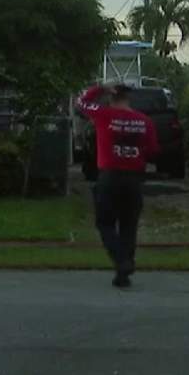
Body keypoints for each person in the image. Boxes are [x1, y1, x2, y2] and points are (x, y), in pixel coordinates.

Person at [77, 82, 159, 288]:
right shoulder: (145, 121)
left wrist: (101, 88)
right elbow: (153, 151)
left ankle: (121, 260)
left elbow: (81, 102)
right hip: (134, 178)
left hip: (109, 177)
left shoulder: (104, 115)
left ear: (111, 97)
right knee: (128, 225)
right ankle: (124, 271)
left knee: (105, 222)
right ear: (128, 98)